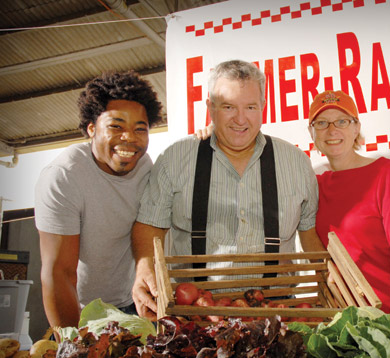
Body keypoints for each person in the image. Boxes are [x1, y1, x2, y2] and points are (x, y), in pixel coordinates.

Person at [131, 59, 325, 320]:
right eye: (228, 107)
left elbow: (308, 231)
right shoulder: (176, 158)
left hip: (276, 312)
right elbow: (149, 224)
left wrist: (327, 278)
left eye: (250, 107)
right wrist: (144, 269)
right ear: (210, 108)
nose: (240, 119)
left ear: (263, 107)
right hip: (193, 313)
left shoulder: (297, 162)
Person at [34, 71, 163, 328]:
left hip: (133, 303)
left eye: (140, 129)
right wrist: (71, 345)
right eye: (116, 126)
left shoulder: (146, 166)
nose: (129, 138)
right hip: (81, 308)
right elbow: (58, 273)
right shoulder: (64, 177)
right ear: (91, 128)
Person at [308, 90, 390, 323]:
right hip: (338, 313)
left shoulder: (385, 173)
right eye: (322, 123)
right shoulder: (314, 183)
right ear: (312, 133)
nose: (332, 130)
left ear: (356, 128)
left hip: (385, 311)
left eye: (342, 121)